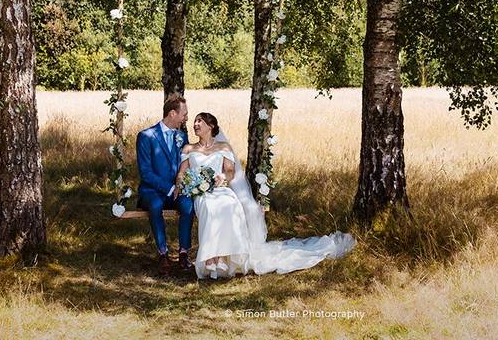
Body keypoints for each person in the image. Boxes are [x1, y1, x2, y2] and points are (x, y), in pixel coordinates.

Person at [174, 111, 356, 279]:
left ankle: (225, 257)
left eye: (200, 121)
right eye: (195, 121)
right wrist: (183, 184)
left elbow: (230, 171)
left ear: (210, 126)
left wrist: (222, 177)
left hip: (221, 188)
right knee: (211, 207)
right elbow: (182, 172)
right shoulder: (189, 149)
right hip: (202, 193)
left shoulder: (223, 146)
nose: (196, 124)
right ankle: (210, 258)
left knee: (230, 205)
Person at [135, 93, 194, 275]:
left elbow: (185, 164)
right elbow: (146, 173)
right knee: (156, 205)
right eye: (184, 114)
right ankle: (163, 254)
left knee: (188, 205)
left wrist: (182, 185)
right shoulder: (146, 136)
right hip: (153, 191)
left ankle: (183, 253)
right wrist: (169, 188)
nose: (186, 118)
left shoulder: (181, 136)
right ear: (172, 114)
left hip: (176, 190)